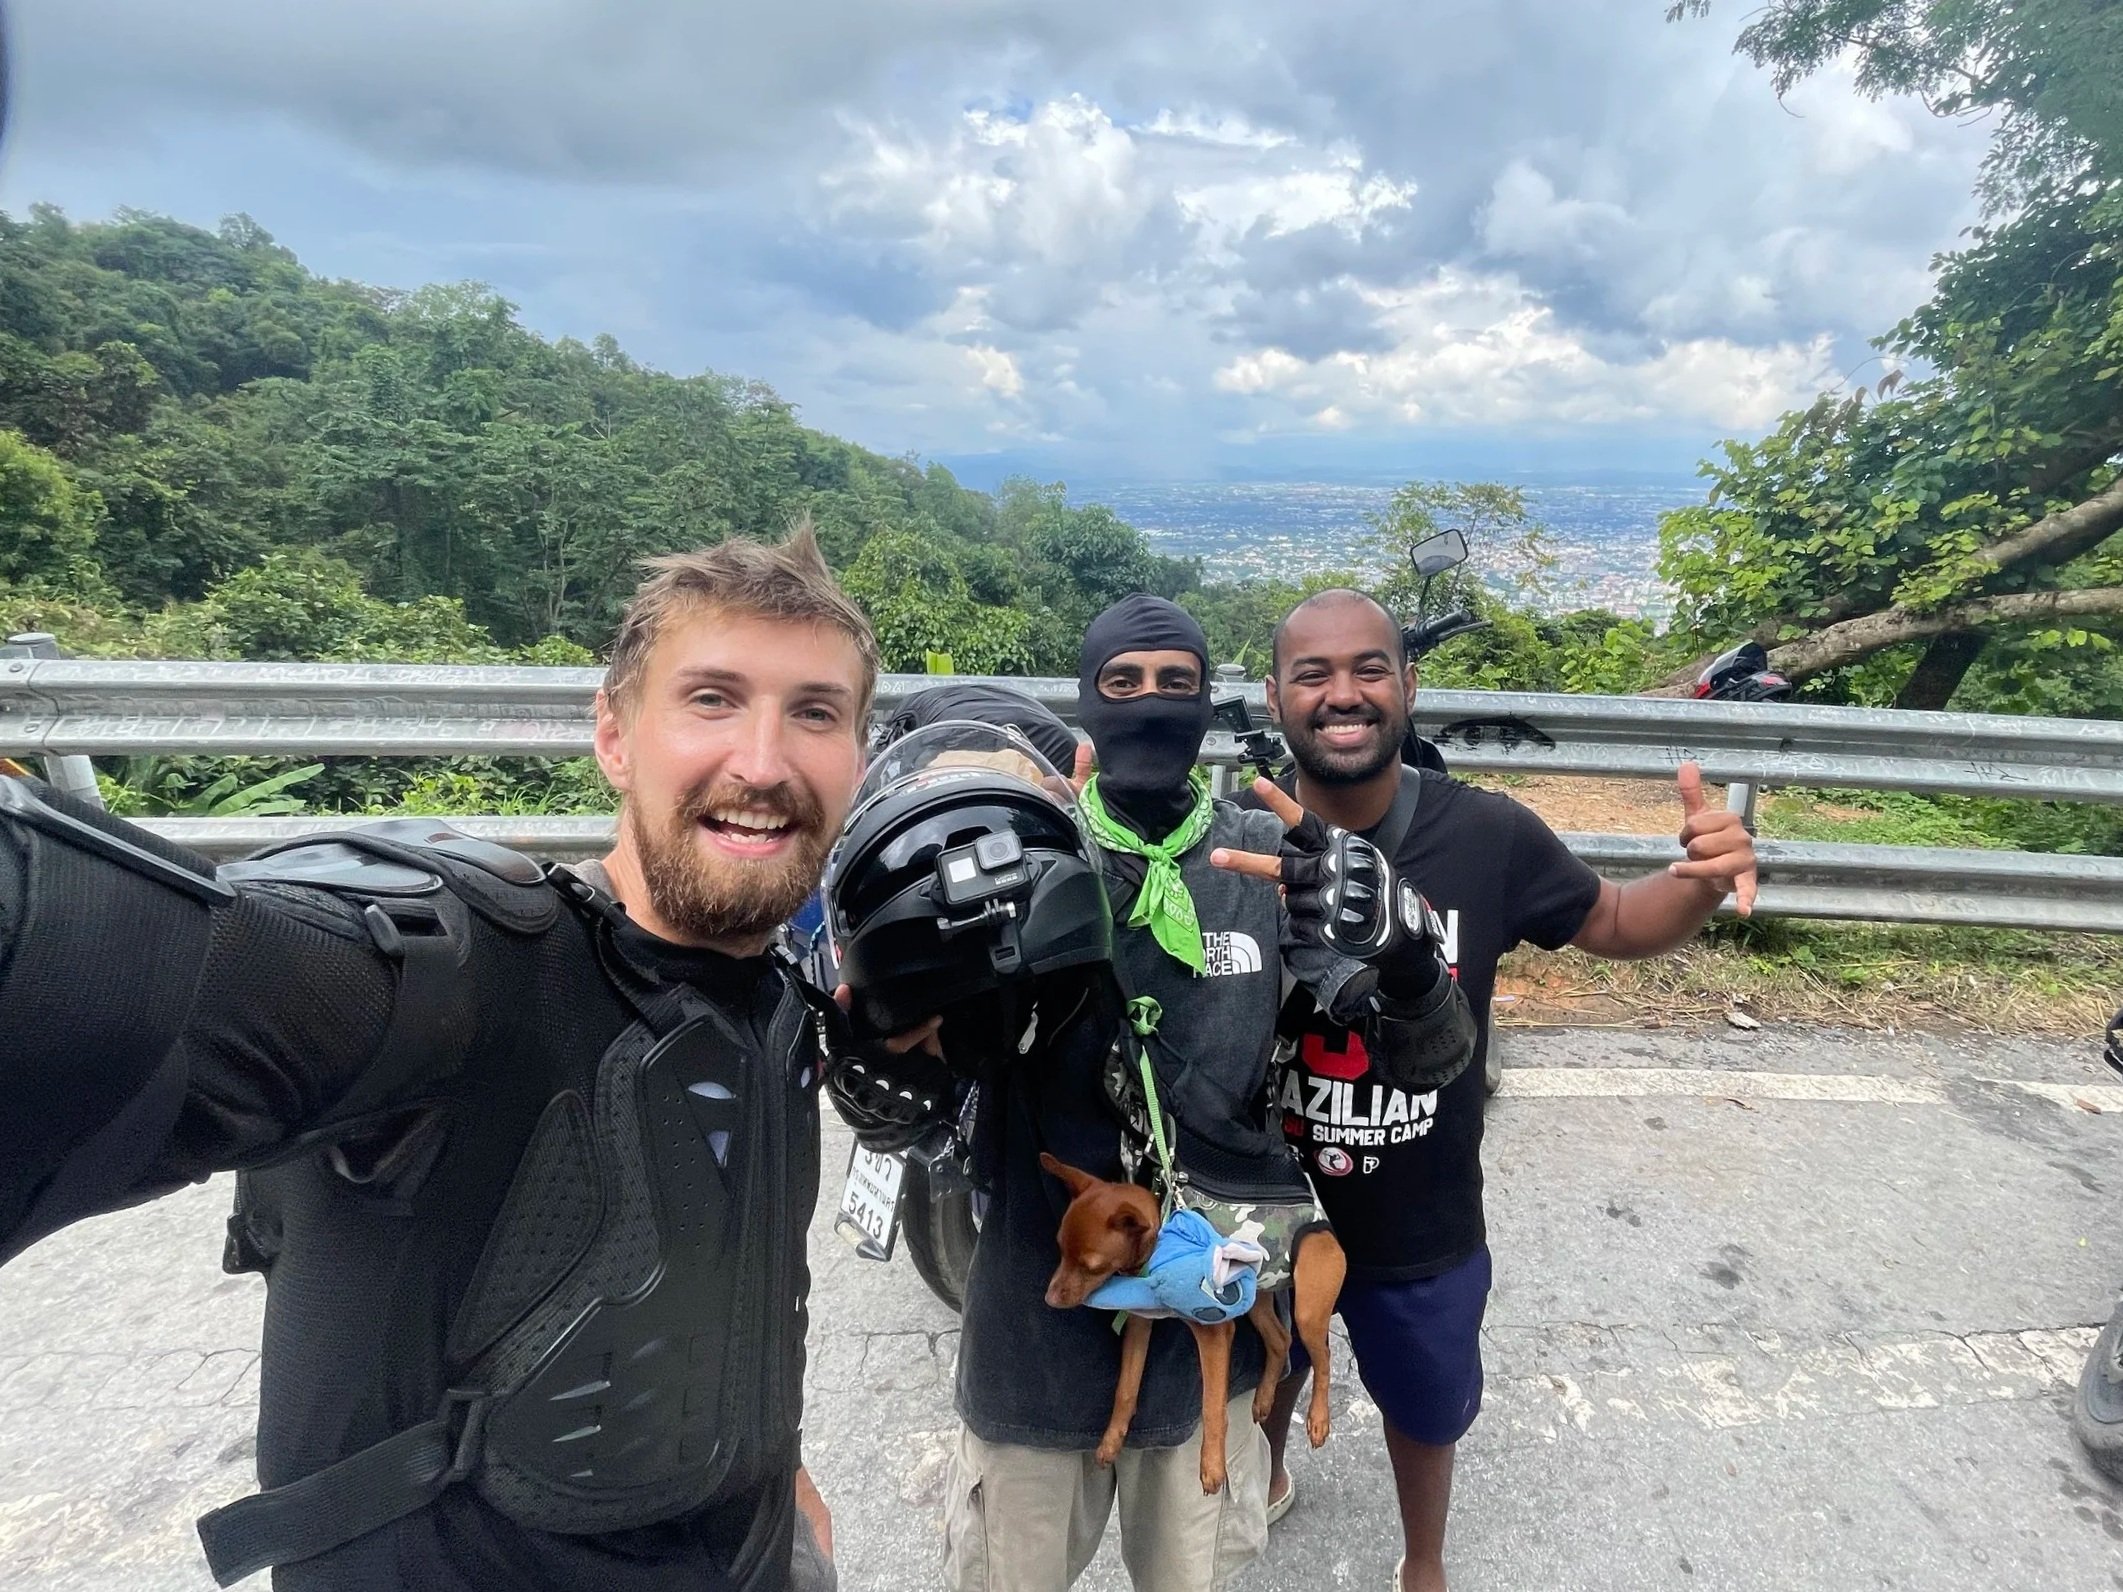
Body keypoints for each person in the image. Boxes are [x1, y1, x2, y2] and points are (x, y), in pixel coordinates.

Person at [0, 525, 875, 1592]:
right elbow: (112, 984)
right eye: (710, 698)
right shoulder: (450, 973)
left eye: (814, 712)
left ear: (857, 757)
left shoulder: (777, 1007)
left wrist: (777, 1480)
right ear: (612, 734)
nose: (763, 760)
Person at [831, 598, 1474, 1592]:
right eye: (1121, 683)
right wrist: (883, 1043)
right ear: (1087, 701)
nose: (1147, 704)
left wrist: (1405, 960)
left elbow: (1426, 1055)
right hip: (1034, 1324)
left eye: (1175, 683)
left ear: (1207, 704)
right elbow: (904, 1110)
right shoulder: (1015, 853)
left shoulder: (1260, 860)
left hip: (1201, 1332)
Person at [1247, 589, 1760, 1592]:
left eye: (1367, 668)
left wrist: (1696, 882)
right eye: (1311, 673)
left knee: (1426, 1404)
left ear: (1407, 684)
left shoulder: (1482, 833)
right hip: (1269, 1199)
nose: (1341, 693)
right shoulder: (1237, 839)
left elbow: (1612, 919)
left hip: (1422, 1209)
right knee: (1274, 1360)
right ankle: (1263, 1474)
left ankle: (1423, 1561)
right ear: (1273, 696)